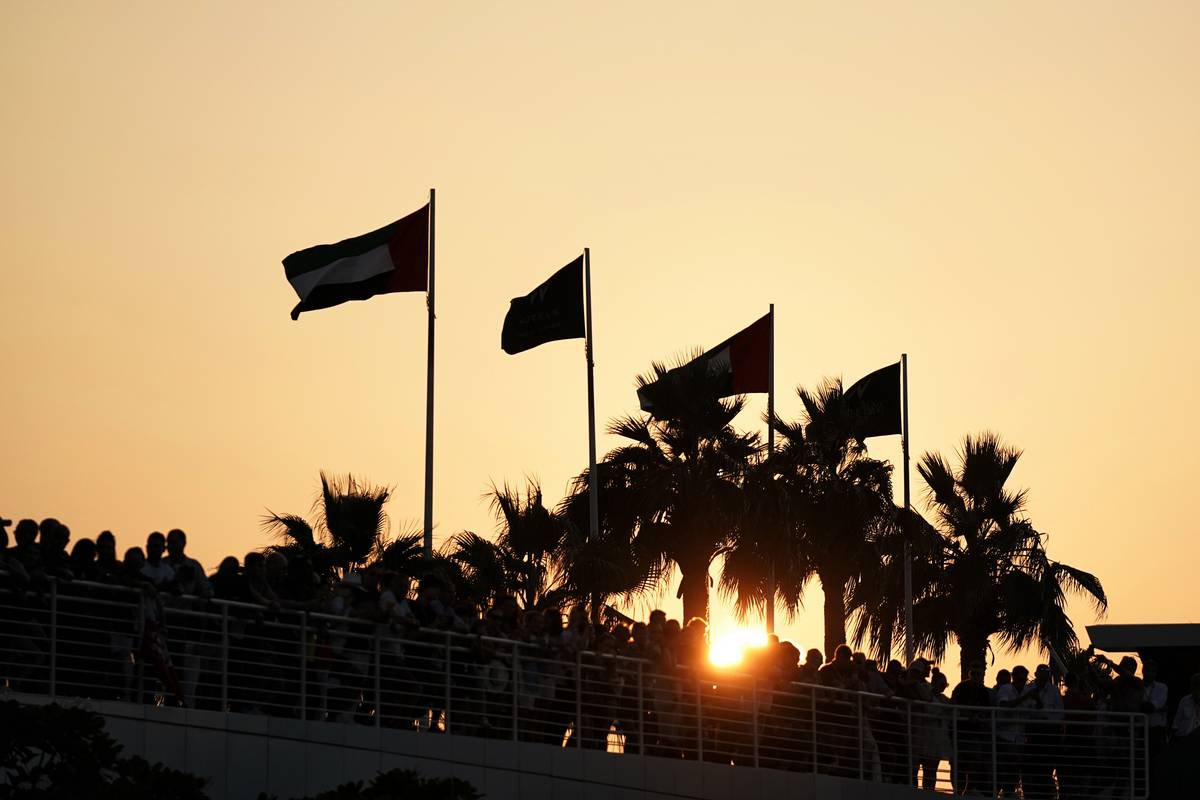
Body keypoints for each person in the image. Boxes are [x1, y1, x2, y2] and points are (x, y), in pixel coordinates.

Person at [951, 662, 992, 795]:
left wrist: (977, 716)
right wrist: (968, 715)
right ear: (969, 674)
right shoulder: (961, 687)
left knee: (974, 762)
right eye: (973, 673)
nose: (975, 676)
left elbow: (986, 710)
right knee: (957, 764)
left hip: (974, 734)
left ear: (982, 675)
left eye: (978, 673)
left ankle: (967, 790)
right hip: (959, 733)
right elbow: (954, 704)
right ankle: (957, 791)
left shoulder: (983, 692)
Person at [165, 529, 211, 598]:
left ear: (184, 543)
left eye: (174, 542)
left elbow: (206, 589)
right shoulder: (161, 563)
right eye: (169, 542)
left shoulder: (194, 565)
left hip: (186, 607)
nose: (171, 546)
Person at [1141, 659, 1169, 756]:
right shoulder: (1137, 686)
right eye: (1148, 671)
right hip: (1141, 729)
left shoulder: (1162, 687)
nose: (1151, 674)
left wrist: (1144, 707)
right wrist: (1156, 709)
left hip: (1157, 731)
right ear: (1143, 671)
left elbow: (1148, 708)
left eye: (1153, 671)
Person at [1172, 673, 1200, 740]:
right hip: (1184, 738)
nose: (1195, 687)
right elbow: (1177, 721)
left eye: (1198, 685)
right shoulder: (1185, 700)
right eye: (1194, 684)